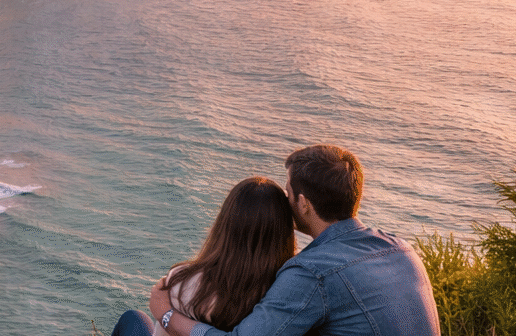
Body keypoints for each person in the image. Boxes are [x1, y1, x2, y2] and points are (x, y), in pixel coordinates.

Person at [148, 144, 440, 336]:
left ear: (303, 203)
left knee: (133, 322)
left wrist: (165, 314)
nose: (285, 202)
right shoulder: (403, 250)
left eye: (287, 193)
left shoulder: (313, 272)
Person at [112, 177, 296, 336]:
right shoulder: (287, 290)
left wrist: (165, 312)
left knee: (133, 318)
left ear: (225, 223)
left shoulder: (185, 281)